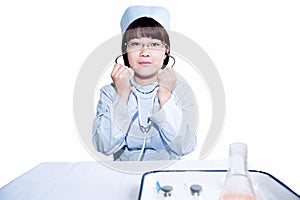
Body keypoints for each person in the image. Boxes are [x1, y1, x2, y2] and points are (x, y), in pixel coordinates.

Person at [92, 5, 198, 161]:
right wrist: (122, 96)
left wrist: (165, 95)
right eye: (135, 44)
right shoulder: (110, 92)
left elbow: (184, 147)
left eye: (154, 44)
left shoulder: (181, 91)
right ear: (125, 51)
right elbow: (104, 146)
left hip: (167, 175)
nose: (145, 53)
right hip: (123, 175)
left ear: (166, 50)